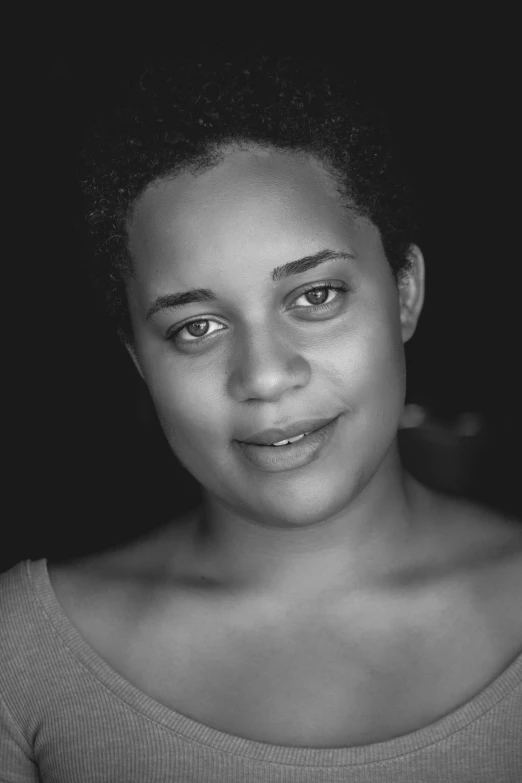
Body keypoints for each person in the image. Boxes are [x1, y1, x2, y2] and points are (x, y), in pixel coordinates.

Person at [1, 53, 521, 782]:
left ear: (404, 293)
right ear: (139, 359)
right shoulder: (20, 655)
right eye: (197, 328)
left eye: (315, 297)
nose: (267, 376)